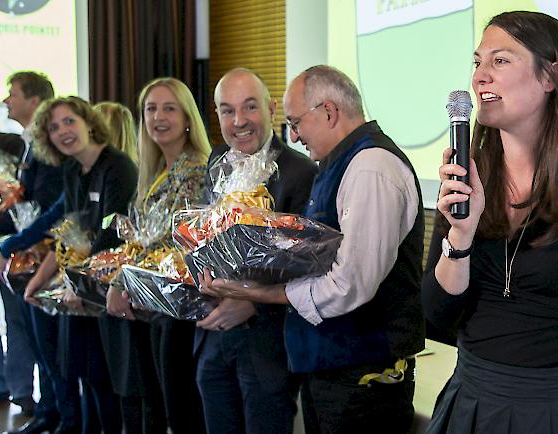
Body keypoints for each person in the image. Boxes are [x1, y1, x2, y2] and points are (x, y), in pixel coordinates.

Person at [422, 11, 558, 434]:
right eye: (477, 63)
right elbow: (436, 315)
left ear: (550, 77)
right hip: (473, 403)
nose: (480, 77)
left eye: (500, 61)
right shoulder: (467, 174)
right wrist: (460, 237)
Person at [198, 65, 426, 433]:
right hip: (332, 371)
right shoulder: (340, 164)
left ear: (330, 112)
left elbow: (349, 284)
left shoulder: (371, 168)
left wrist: (257, 293)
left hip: (364, 377)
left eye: (296, 122)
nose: (295, 135)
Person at [193, 67, 317, 434]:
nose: (239, 121)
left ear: (271, 108)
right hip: (213, 337)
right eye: (227, 110)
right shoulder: (216, 162)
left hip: (267, 344)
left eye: (249, 107)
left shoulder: (301, 171)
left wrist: (253, 300)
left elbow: (309, 261)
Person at [23, 96, 138, 434]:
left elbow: (112, 238)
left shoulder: (118, 167)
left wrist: (77, 283)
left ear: (89, 121)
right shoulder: (72, 170)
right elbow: (70, 236)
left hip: (108, 292)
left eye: (69, 121)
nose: (63, 131)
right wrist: (40, 280)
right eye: (54, 127)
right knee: (84, 377)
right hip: (81, 292)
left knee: (106, 385)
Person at [106, 77, 209, 434]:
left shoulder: (194, 169)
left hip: (181, 308)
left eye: (169, 108)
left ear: (187, 119)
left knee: (180, 411)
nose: (158, 117)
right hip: (156, 305)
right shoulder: (159, 169)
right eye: (151, 109)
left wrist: (121, 280)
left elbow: (173, 238)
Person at [0, 71, 70, 434]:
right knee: (38, 340)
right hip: (28, 255)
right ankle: (48, 409)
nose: (6, 100)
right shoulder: (28, 143)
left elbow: (51, 208)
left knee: (53, 345)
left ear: (34, 100)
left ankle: (60, 414)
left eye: (12, 94)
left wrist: (12, 244)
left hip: (49, 259)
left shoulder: (52, 148)